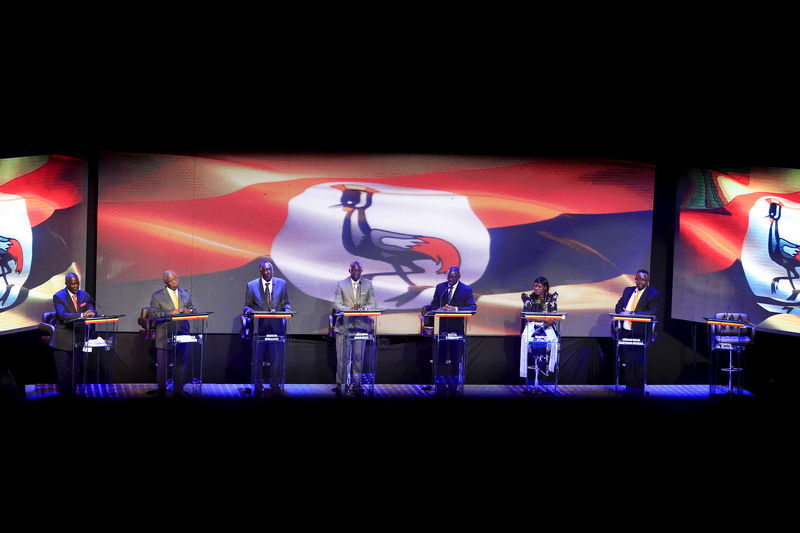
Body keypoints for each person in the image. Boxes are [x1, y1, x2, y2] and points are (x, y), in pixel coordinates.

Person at [243, 261, 292, 394]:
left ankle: (275, 385)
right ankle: (258, 385)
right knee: (258, 358)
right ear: (260, 271)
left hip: (277, 328)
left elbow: (286, 303)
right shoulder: (251, 285)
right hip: (260, 328)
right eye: (265, 270)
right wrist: (248, 311)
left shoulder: (281, 284)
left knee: (276, 357)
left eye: (270, 270)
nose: (268, 272)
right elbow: (247, 306)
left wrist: (287, 309)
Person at [429, 266, 477, 394]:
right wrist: (439, 309)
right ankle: (440, 386)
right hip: (441, 330)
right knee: (440, 359)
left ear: (459, 276)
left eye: (453, 277)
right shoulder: (440, 287)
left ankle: (454, 388)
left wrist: (454, 309)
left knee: (456, 359)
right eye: (449, 276)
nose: (450, 279)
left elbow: (472, 308)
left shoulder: (466, 289)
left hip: (457, 331)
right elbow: (433, 305)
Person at [149, 270, 195, 397]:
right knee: (163, 365)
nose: (176, 282)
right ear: (166, 282)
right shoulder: (157, 296)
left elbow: (193, 309)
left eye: (176, 279)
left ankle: (178, 390)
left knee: (181, 363)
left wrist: (188, 310)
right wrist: (170, 313)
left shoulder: (185, 293)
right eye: (172, 280)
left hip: (182, 332)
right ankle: (162, 390)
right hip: (165, 333)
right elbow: (153, 315)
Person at [614, 269, 660, 393]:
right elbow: (618, 305)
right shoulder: (628, 290)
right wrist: (621, 312)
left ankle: (639, 390)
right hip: (626, 332)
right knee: (628, 362)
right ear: (635, 279)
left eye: (643, 279)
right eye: (638, 279)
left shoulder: (653, 294)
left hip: (641, 334)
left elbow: (651, 312)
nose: (640, 281)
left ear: (647, 281)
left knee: (639, 363)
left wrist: (632, 313)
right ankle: (629, 388)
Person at [333, 261, 376, 396]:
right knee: (343, 358)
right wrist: (349, 309)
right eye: (353, 270)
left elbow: (373, 304)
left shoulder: (368, 284)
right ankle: (341, 384)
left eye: (358, 270)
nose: (356, 272)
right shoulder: (341, 284)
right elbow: (337, 304)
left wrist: (362, 309)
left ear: (361, 271)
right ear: (349, 270)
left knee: (358, 357)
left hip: (360, 327)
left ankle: (357, 384)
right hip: (343, 327)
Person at [50, 273, 96, 397]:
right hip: (63, 341)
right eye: (73, 283)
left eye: (77, 283)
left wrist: (92, 313)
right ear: (66, 284)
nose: (76, 286)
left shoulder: (84, 295)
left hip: (79, 339)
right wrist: (82, 315)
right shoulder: (58, 297)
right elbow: (62, 316)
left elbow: (91, 310)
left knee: (75, 370)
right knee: (63, 373)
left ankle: (73, 394)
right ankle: (64, 396)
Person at [519, 276, 559, 385]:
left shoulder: (551, 298)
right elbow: (528, 317)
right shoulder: (529, 298)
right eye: (535, 286)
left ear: (545, 288)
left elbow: (553, 319)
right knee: (525, 339)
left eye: (539, 286)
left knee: (554, 341)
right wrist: (544, 318)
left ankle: (548, 371)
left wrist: (544, 321)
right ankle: (528, 377)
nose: (536, 288)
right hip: (532, 326)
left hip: (547, 327)